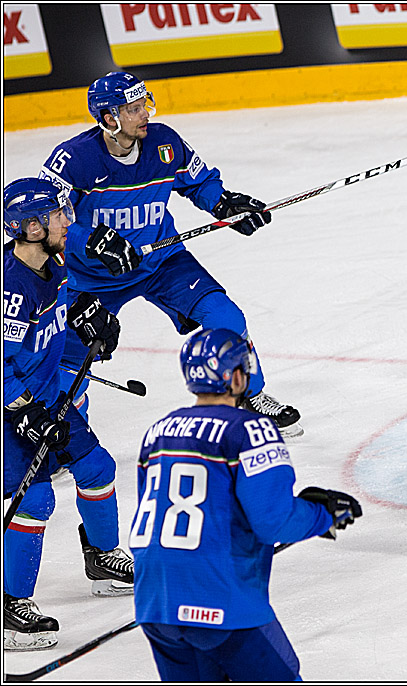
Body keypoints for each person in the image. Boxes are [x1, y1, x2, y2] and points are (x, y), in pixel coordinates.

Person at [38, 70, 302, 437]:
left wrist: (224, 204)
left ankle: (251, 396)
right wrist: (93, 241)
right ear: (110, 118)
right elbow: (49, 220)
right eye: (133, 108)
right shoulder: (73, 159)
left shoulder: (165, 142)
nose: (145, 113)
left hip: (162, 261)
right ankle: (67, 433)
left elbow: (199, 181)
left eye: (144, 103)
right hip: (92, 278)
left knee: (225, 315)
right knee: (69, 360)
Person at [130, 327, 361, 681]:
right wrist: (321, 515)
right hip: (219, 599)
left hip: (155, 601)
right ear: (235, 376)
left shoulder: (157, 432)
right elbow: (274, 522)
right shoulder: (250, 431)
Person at [3, 178, 135, 652]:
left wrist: (85, 310)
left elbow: (63, 293)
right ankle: (11, 609)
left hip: (41, 398)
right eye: (58, 215)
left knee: (97, 468)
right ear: (33, 227)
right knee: (35, 501)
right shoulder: (10, 290)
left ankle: (103, 560)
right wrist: (26, 413)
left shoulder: (49, 262)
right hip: (11, 409)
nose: (68, 220)